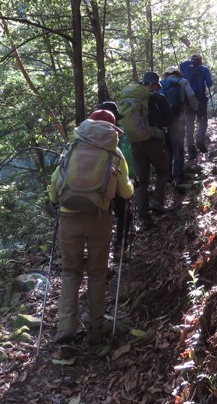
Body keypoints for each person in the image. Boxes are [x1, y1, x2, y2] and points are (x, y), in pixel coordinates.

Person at [48, 110, 134, 346]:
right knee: (97, 273)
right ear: (112, 129)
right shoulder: (113, 153)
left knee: (70, 272)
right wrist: (131, 186)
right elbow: (125, 192)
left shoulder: (72, 148)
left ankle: (66, 328)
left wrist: (58, 201)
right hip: (99, 217)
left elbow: (55, 187)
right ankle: (96, 328)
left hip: (69, 218)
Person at [122, 71, 174, 230]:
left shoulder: (133, 98)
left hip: (135, 144)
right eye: (157, 85)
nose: (158, 88)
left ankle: (144, 217)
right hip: (154, 141)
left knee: (141, 181)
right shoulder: (158, 98)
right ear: (153, 84)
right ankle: (157, 201)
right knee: (164, 171)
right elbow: (170, 118)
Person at [95, 101, 134, 261]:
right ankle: (120, 248)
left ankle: (95, 255)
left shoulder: (83, 138)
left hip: (87, 188)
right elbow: (127, 158)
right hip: (114, 183)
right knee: (124, 213)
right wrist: (132, 178)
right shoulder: (119, 135)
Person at [160, 66, 198, 186]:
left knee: (167, 149)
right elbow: (191, 96)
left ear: (166, 74)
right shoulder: (183, 82)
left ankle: (168, 175)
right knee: (178, 147)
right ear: (178, 73)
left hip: (163, 123)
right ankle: (178, 175)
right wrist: (195, 107)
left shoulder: (160, 84)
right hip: (178, 120)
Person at [179, 53, 214, 158]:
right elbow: (209, 83)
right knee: (202, 120)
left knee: (189, 126)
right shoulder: (204, 69)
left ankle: (191, 152)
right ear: (200, 60)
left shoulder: (185, 70)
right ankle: (199, 139)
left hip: (188, 101)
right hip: (200, 100)